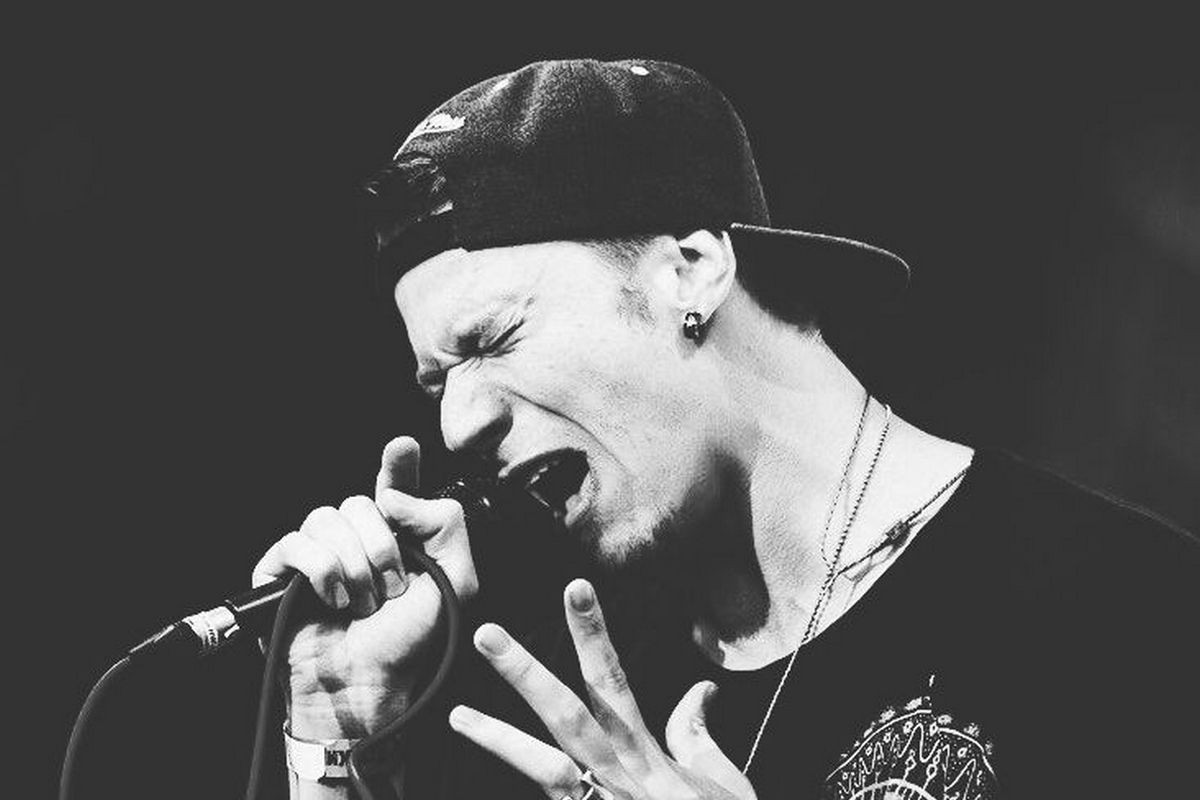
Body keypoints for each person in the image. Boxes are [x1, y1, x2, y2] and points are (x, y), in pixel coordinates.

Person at [251, 59, 1199, 799]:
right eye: (436, 383)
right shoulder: (541, 694)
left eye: (493, 338)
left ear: (693, 268)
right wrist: (338, 729)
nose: (459, 423)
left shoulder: (1132, 616)